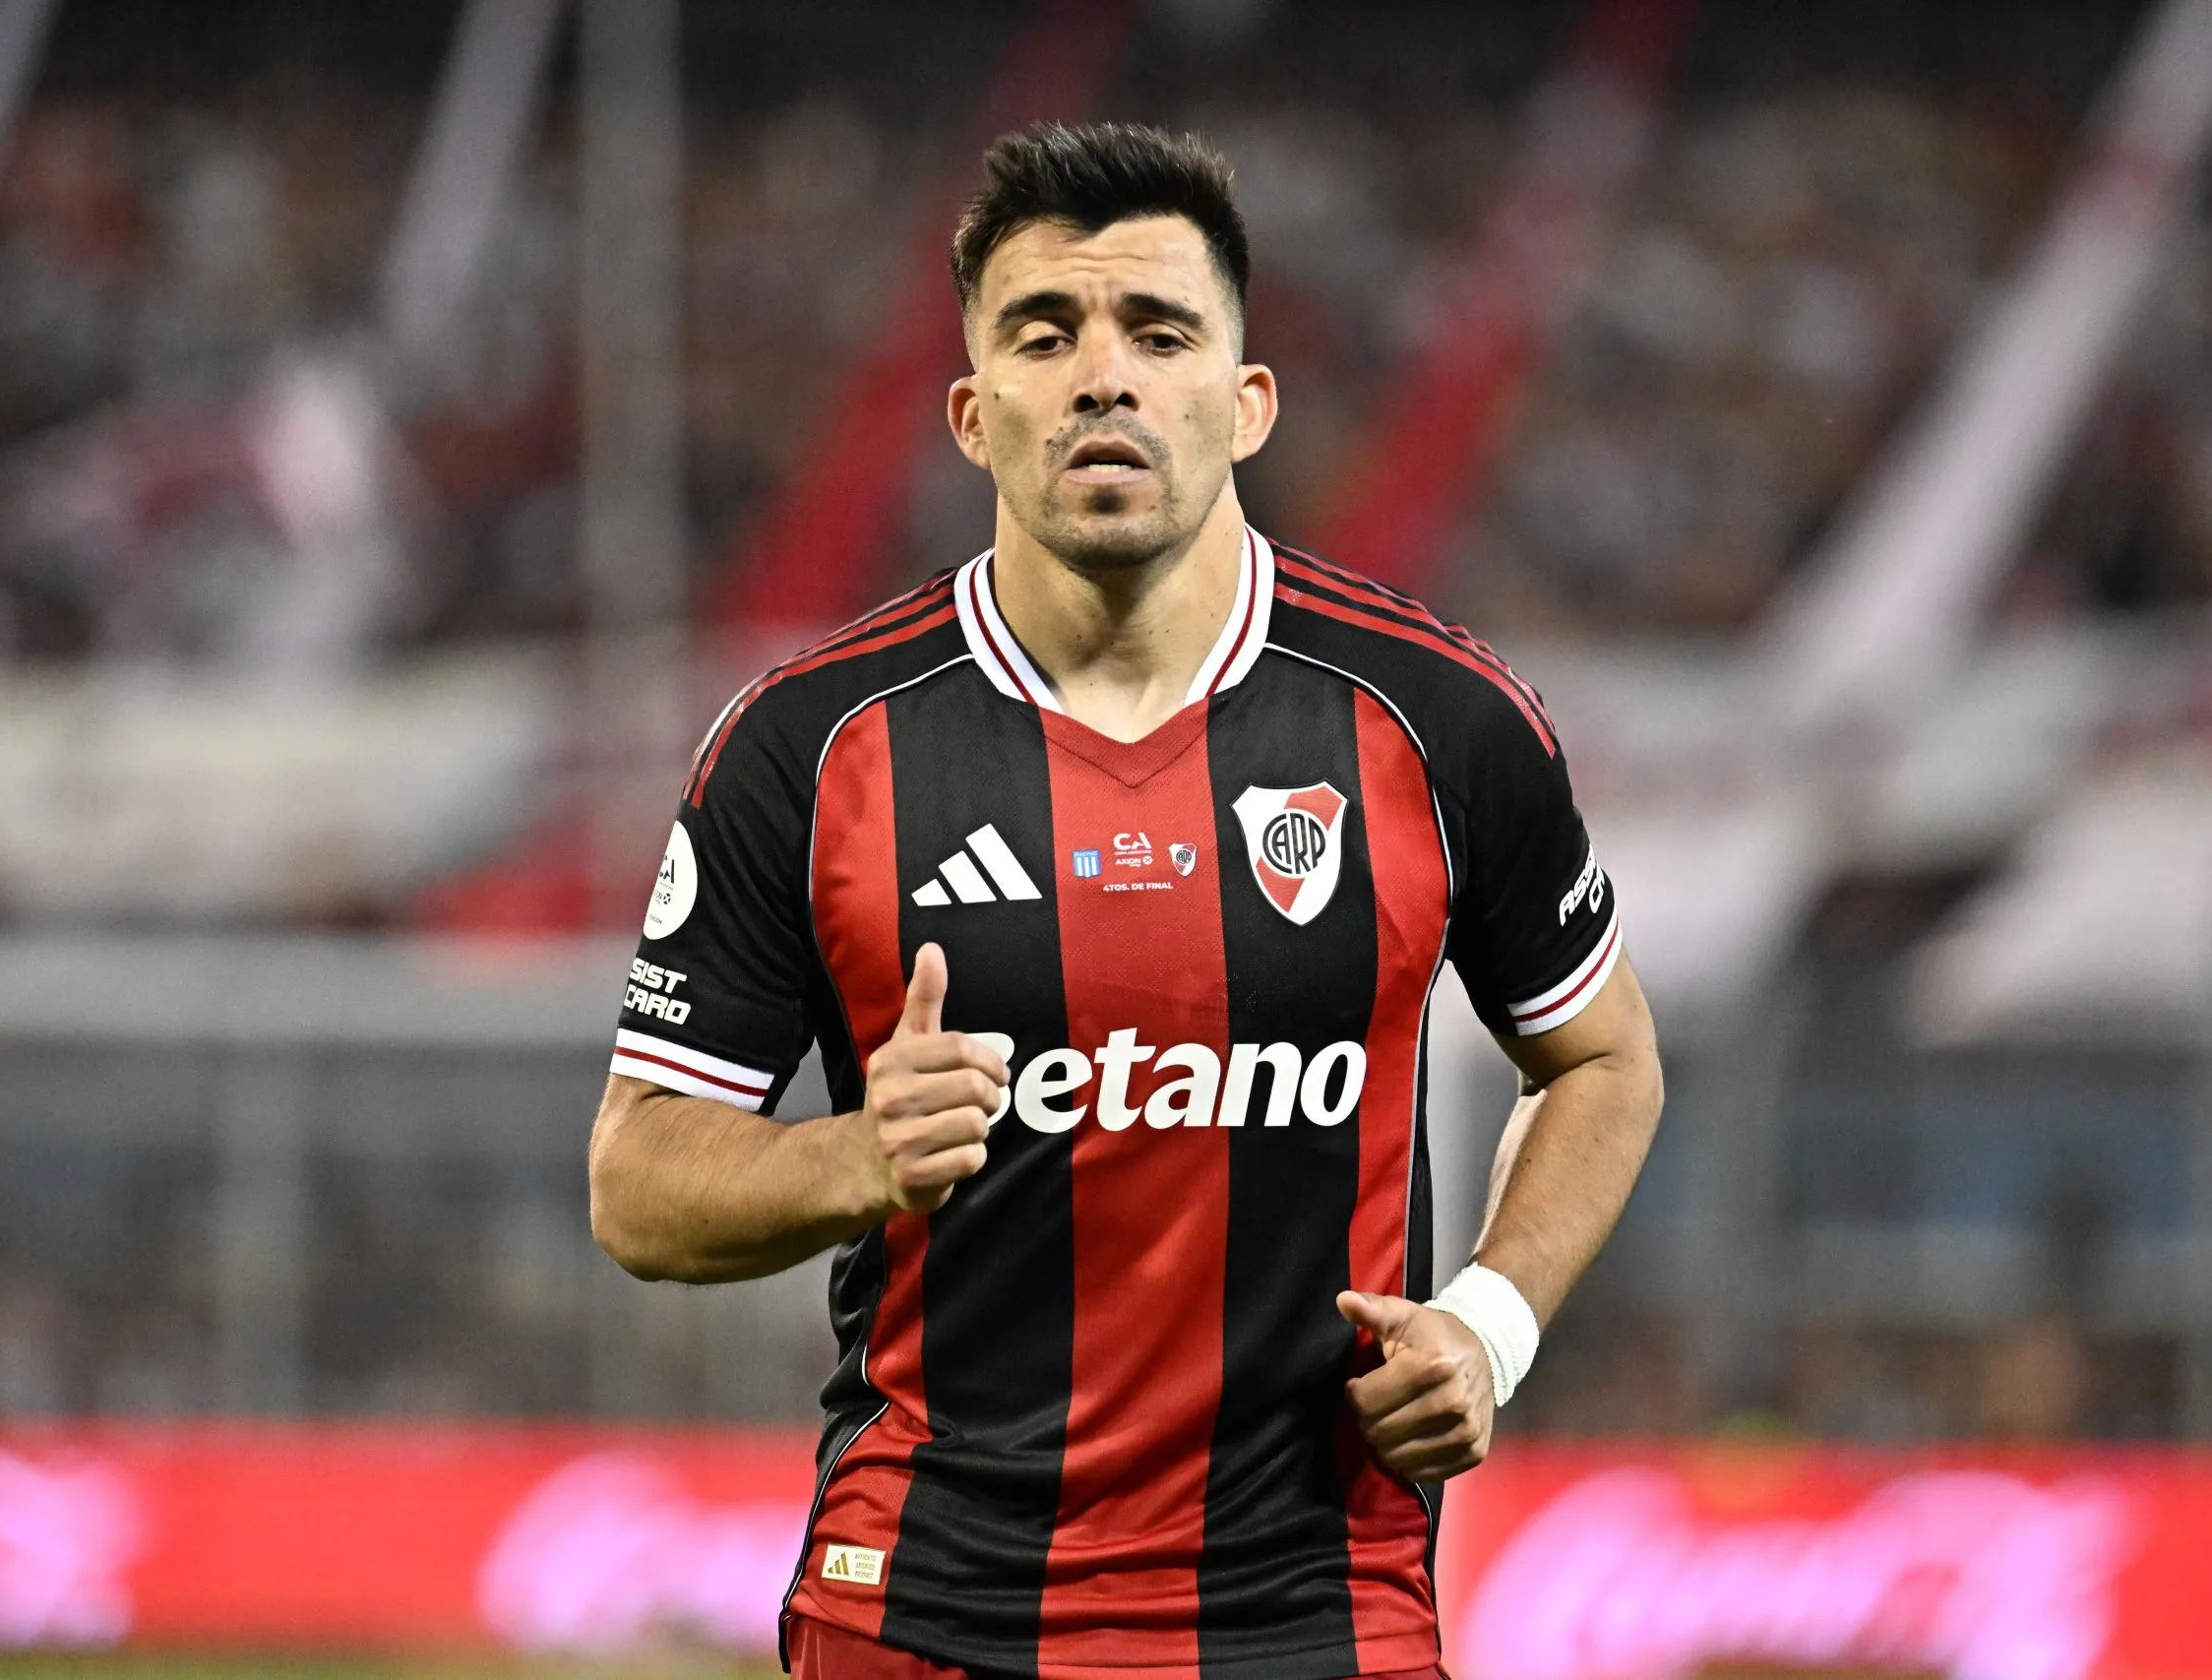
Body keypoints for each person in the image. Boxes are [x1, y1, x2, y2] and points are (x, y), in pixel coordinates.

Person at [589, 121, 1663, 1680]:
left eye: (1159, 332)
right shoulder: (809, 750)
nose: (1105, 374)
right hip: (925, 1607)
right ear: (972, 413)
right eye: (1046, 333)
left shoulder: (1439, 721)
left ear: (1247, 401)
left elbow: (1606, 1055)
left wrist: (1492, 1319)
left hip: (1318, 1613)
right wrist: (852, 1156)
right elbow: (637, 1184)